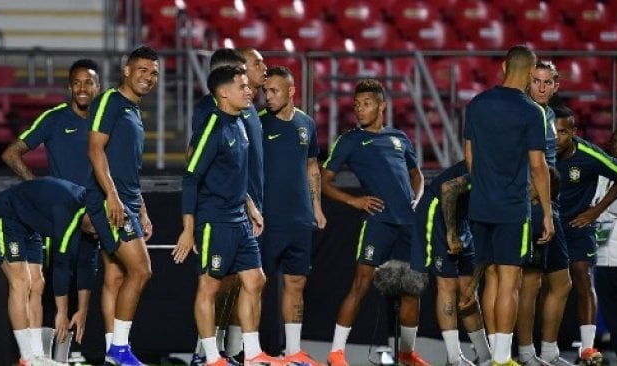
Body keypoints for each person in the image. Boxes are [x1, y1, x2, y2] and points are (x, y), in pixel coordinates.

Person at [173, 65, 278, 366]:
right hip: (214, 221)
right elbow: (192, 177)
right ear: (223, 92)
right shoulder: (213, 127)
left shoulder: (240, 123)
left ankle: (254, 354)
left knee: (255, 281)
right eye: (243, 86)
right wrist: (188, 228)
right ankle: (211, 357)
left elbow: (232, 174)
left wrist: (250, 206)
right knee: (210, 287)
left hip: (239, 220)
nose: (250, 91)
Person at [321, 79, 428, 366]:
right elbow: (324, 181)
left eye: (366, 104)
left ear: (382, 106)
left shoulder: (400, 138)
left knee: (411, 290)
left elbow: (417, 174)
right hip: (378, 223)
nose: (359, 110)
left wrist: (416, 200)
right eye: (356, 105)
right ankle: (336, 353)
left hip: (407, 225)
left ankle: (406, 353)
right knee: (361, 285)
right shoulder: (349, 141)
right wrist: (354, 201)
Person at [1, 59, 102, 354]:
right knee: (44, 287)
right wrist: (39, 189)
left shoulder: (106, 121)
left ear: (98, 87)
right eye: (77, 83)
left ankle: (76, 353)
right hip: (57, 218)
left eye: (89, 82)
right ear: (69, 87)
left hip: (94, 217)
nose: (82, 88)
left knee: (87, 280)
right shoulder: (54, 118)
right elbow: (12, 154)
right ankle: (37, 355)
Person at [463, 45, 553, 366]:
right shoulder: (532, 111)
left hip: (480, 205)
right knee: (510, 282)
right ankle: (503, 359)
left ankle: (489, 358)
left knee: (491, 280)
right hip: (512, 207)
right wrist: (547, 213)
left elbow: (470, 158)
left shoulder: (477, 104)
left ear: (503, 67)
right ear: (531, 73)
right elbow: (539, 165)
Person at [86, 46, 158, 366]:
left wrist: (140, 208)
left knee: (115, 276)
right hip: (109, 200)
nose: (149, 77)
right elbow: (95, 150)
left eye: (154, 72)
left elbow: (128, 166)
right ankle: (119, 350)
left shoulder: (134, 109)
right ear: (126, 70)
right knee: (141, 270)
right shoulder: (109, 101)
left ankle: (111, 353)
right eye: (142, 69)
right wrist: (112, 197)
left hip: (127, 199)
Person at [0, 177, 94, 366]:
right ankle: (27, 357)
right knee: (21, 282)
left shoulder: (91, 217)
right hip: (5, 215)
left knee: (38, 283)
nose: (96, 233)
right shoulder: (68, 211)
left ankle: (37, 355)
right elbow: (61, 265)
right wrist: (62, 312)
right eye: (95, 230)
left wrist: (81, 309)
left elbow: (86, 266)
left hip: (29, 227)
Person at [259, 66, 327, 365]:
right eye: (265, 91)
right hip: (265, 219)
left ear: (291, 91)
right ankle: (242, 350)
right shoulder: (257, 123)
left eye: (274, 91)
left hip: (299, 218)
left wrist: (317, 208)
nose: (268, 97)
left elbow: (312, 167)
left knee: (296, 283)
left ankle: (293, 352)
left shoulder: (307, 124)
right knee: (252, 285)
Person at [554, 105, 617, 363]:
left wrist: (596, 210)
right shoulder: (539, 150)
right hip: (556, 231)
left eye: (562, 132)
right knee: (539, 287)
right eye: (615, 140)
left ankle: (589, 349)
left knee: (586, 281)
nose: (556, 138)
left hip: (600, 243)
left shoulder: (593, 159)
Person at [516, 60, 573, 366]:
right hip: (534, 208)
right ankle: (527, 353)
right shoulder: (526, 112)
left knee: (561, 282)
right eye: (535, 81)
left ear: (555, 85)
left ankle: (549, 352)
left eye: (546, 82)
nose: (540, 86)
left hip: (552, 207)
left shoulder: (549, 114)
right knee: (531, 283)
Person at [416, 160, 491, 365]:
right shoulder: (487, 167)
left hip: (462, 217)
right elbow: (448, 188)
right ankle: (454, 358)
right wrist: (451, 232)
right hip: (438, 210)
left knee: (468, 290)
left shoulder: (511, 172)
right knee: (447, 284)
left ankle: (485, 356)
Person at [594, 125, 617, 365]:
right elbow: (593, 206)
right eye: (615, 140)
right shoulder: (604, 174)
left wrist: (600, 208)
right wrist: (602, 208)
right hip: (603, 260)